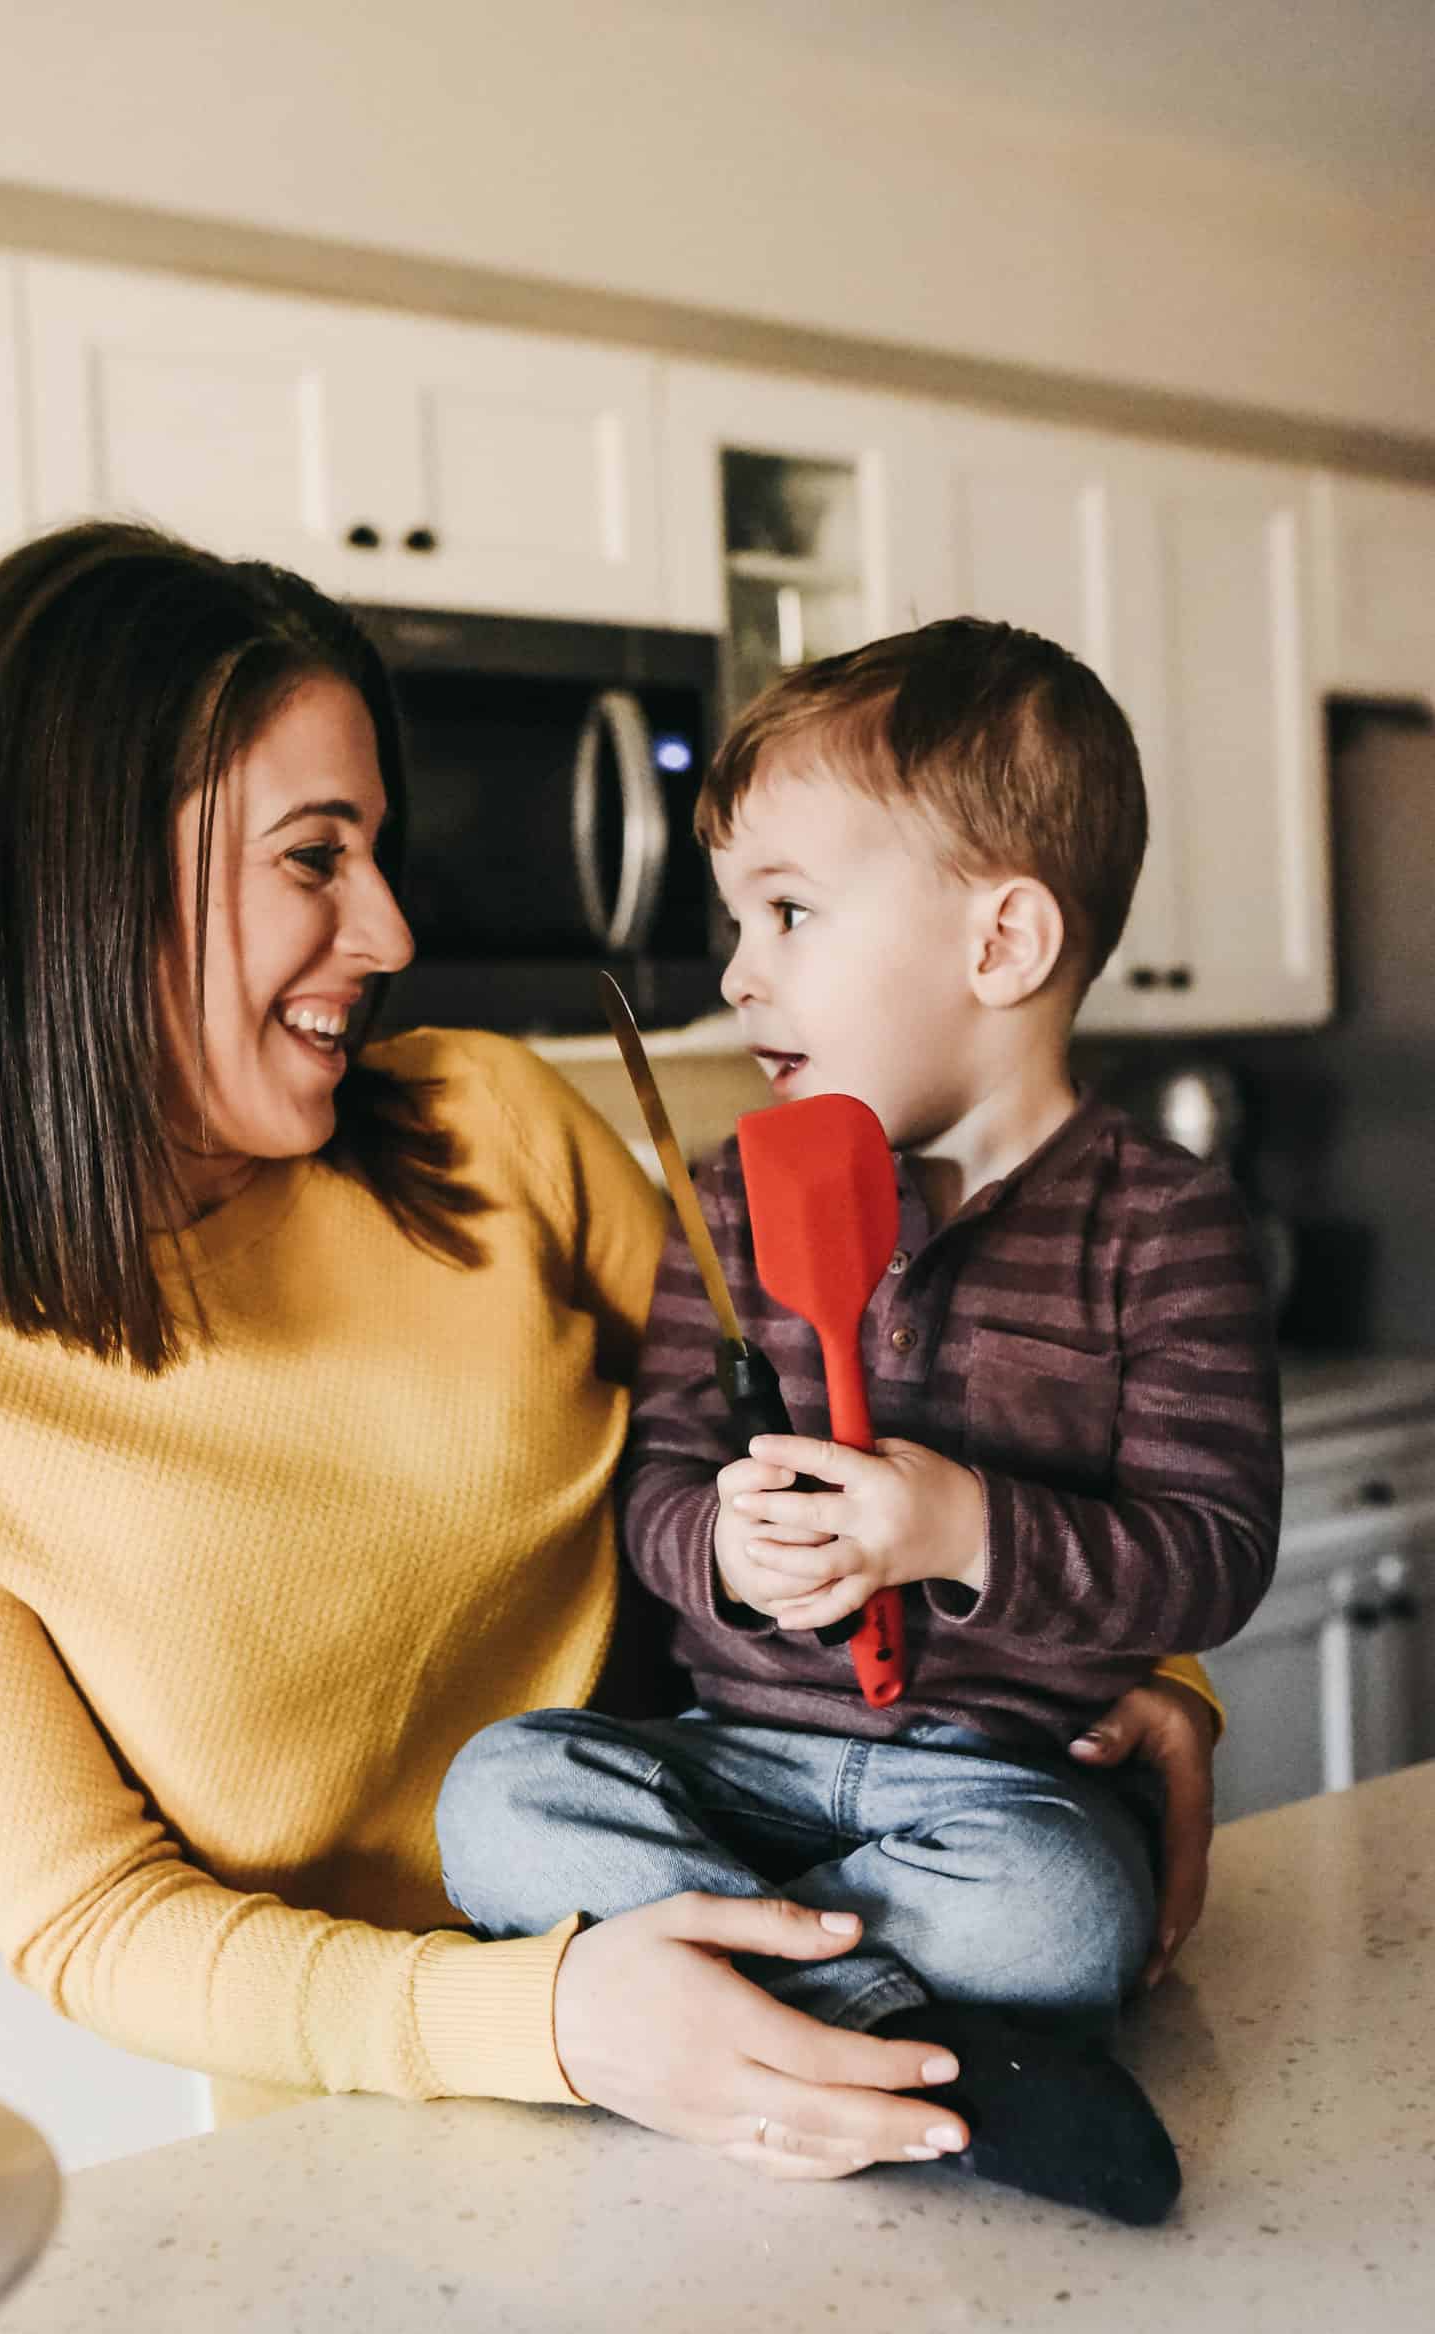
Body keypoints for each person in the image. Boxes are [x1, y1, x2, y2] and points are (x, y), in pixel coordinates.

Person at [0, 528, 1220, 2186]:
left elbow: (858, 1452)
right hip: (417, 2162)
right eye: (314, 857)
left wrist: (1127, 1673)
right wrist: (554, 2022)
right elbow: (97, 1923)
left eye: (376, 850)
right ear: (69, 879)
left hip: (824, 2008)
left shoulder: (481, 1120)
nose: (384, 927)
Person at [438, 619, 1281, 2222]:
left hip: (986, 1787)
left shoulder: (1163, 1230)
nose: (740, 972)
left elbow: (1212, 1557)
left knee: (1060, 1907)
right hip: (728, 1771)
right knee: (502, 1797)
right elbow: (660, 1492)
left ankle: (762, 2019)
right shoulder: (727, 1212)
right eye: (736, 920)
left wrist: (962, 1527)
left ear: (1001, 942)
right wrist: (725, 1551)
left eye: (791, 913)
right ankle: (914, 2041)